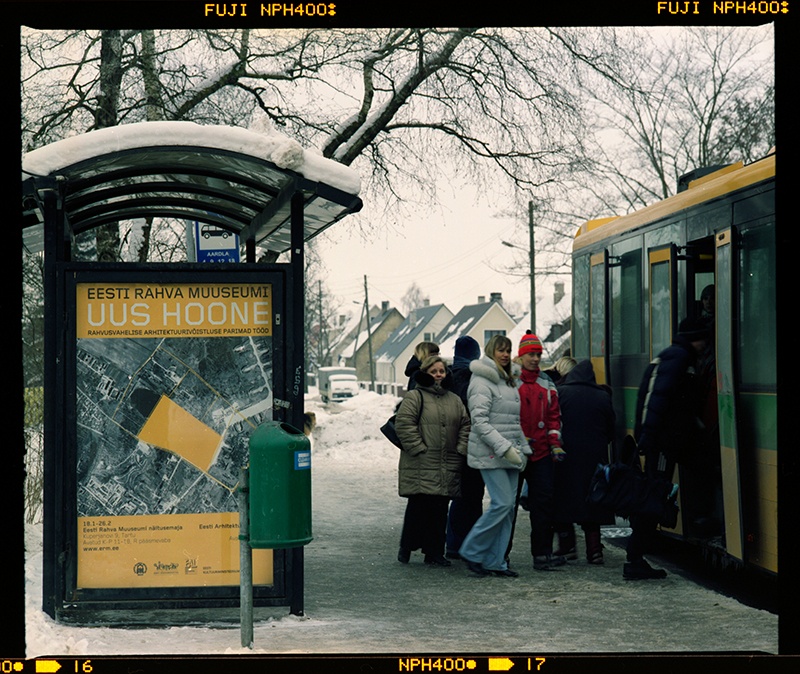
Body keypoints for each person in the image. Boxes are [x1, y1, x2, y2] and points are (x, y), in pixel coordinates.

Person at [624, 316, 710, 580]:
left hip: (666, 441)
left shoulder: (675, 356)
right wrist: (649, 439)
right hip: (662, 443)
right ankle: (635, 559)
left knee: (659, 492)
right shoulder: (680, 358)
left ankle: (637, 556)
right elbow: (658, 399)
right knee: (655, 495)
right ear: (698, 338)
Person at [458, 335, 530, 577]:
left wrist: (521, 448)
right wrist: (505, 448)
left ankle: (495, 562)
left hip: (509, 452)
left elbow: (513, 421)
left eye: (508, 350)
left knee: (508, 508)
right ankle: (471, 551)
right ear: (491, 351)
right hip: (489, 452)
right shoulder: (481, 381)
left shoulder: (509, 382)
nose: (506, 354)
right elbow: (479, 422)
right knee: (502, 504)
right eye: (500, 350)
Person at [395, 355, 471, 566]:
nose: (439, 374)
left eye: (442, 371)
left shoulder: (454, 399)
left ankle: (434, 553)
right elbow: (404, 424)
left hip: (448, 462)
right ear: (425, 373)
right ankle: (407, 547)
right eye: (434, 371)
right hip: (422, 462)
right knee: (419, 507)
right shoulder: (415, 397)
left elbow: (466, 424)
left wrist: (461, 448)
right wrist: (419, 448)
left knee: (440, 510)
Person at [551, 359, 616, 564]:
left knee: (563, 502)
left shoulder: (562, 393)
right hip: (594, 458)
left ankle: (567, 547)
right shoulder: (602, 396)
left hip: (566, 457)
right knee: (593, 503)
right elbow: (611, 429)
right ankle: (595, 551)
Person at [512, 331, 566, 571]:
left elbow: (554, 417)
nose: (535, 359)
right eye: (531, 354)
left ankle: (542, 554)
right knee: (507, 506)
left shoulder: (547, 382)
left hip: (543, 453)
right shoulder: (511, 382)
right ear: (521, 356)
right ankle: (500, 554)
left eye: (538, 354)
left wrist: (555, 443)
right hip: (515, 454)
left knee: (543, 505)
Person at [445, 336, 484, 559]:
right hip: (471, 443)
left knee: (456, 496)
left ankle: (453, 543)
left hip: (449, 444)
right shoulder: (473, 378)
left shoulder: (447, 376)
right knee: (472, 496)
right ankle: (467, 544)